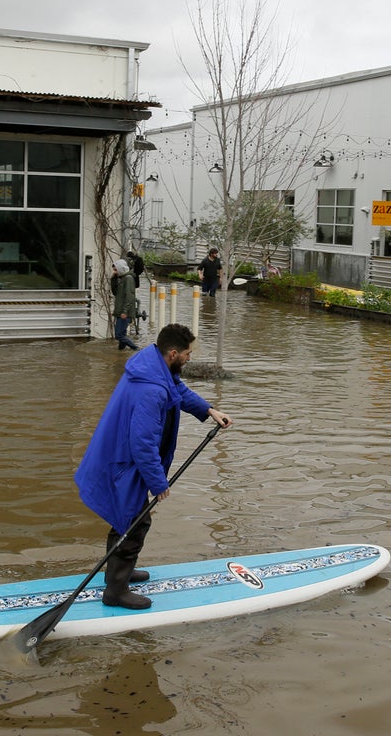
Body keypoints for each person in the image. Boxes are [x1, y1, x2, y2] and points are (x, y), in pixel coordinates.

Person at [74, 323, 233, 610]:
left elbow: (178, 390)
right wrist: (158, 483)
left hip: (122, 458)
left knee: (126, 517)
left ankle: (118, 570)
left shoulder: (153, 367)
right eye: (187, 353)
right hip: (124, 462)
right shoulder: (150, 390)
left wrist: (209, 410)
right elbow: (143, 444)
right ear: (173, 353)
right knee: (134, 522)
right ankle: (116, 590)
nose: (189, 358)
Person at [112, 259, 138, 351]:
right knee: (121, 335)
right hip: (121, 311)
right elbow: (115, 293)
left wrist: (124, 311)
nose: (114, 272)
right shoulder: (121, 279)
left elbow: (130, 296)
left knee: (118, 335)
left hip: (124, 312)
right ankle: (120, 353)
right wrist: (114, 278)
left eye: (116, 270)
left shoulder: (128, 279)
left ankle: (136, 349)